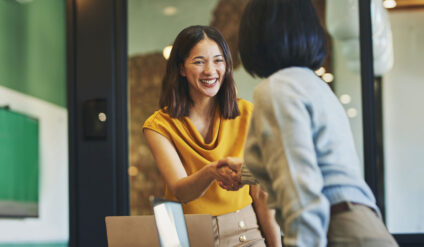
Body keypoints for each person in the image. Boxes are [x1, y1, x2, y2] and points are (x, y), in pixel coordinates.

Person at [218, 0, 399, 246]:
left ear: (257, 34)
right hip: (361, 225)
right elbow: (318, 166)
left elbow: (301, 194)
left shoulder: (277, 89)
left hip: (338, 230)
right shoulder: (314, 85)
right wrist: (246, 171)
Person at [143, 25, 281, 247]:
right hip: (187, 236)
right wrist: (211, 171)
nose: (210, 70)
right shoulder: (158, 126)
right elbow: (181, 192)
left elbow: (262, 194)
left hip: (246, 233)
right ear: (181, 69)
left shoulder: (248, 114)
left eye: (218, 61)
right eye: (199, 62)